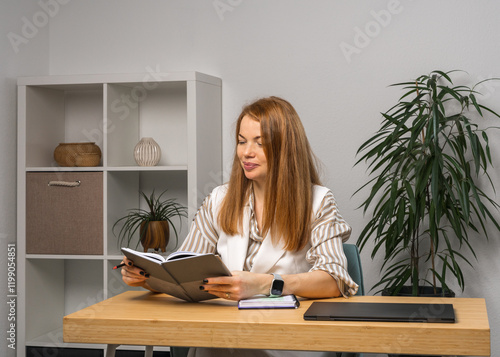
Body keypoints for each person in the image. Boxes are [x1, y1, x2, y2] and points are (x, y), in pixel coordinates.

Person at [121, 96, 358, 356]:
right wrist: (148, 278)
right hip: (219, 340)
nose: (246, 152)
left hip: (285, 343)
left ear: (286, 148)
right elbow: (185, 270)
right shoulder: (219, 199)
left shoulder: (318, 201)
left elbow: (335, 280)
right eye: (242, 141)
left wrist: (267, 285)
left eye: (260, 143)